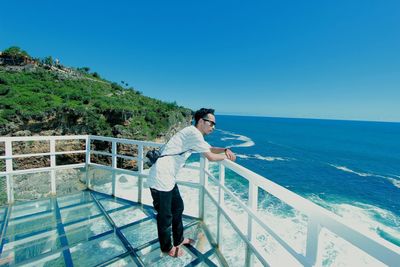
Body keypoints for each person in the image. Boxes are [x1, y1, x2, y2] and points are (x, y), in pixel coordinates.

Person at [147, 108, 236, 257]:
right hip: (161, 178)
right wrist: (227, 157)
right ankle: (167, 248)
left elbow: (210, 149)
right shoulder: (193, 134)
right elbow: (211, 157)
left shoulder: (194, 134)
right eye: (211, 123)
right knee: (165, 216)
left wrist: (225, 149)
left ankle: (179, 240)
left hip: (168, 177)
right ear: (201, 121)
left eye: (214, 124)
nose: (213, 127)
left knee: (178, 208)